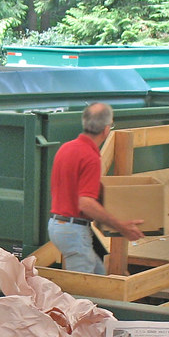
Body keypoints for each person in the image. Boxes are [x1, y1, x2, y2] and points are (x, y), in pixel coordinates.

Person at [48, 102, 145, 274]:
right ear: (107, 129)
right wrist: (121, 226)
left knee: (99, 275)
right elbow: (86, 203)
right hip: (73, 230)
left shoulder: (66, 148)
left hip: (57, 225)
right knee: (81, 291)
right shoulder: (90, 157)